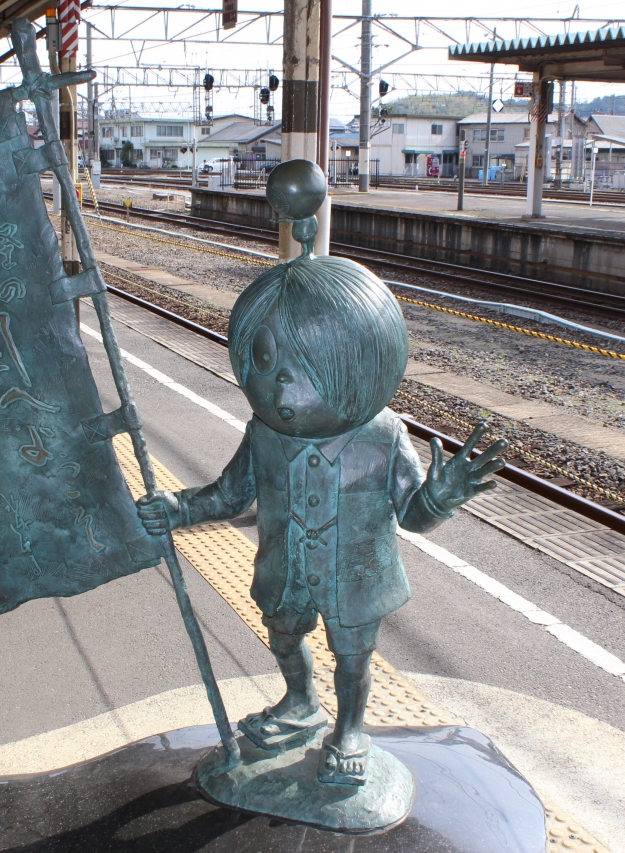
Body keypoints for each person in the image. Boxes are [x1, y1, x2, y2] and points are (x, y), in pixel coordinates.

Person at [138, 160, 507, 787]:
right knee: (284, 633)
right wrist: (176, 509)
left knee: (354, 654)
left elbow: (412, 517)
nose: (280, 392)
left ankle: (350, 728)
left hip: (355, 578)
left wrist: (440, 497)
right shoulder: (264, 434)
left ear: (362, 364)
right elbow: (228, 494)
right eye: (264, 366)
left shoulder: (383, 435)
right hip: (286, 569)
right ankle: (300, 700)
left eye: (306, 370)